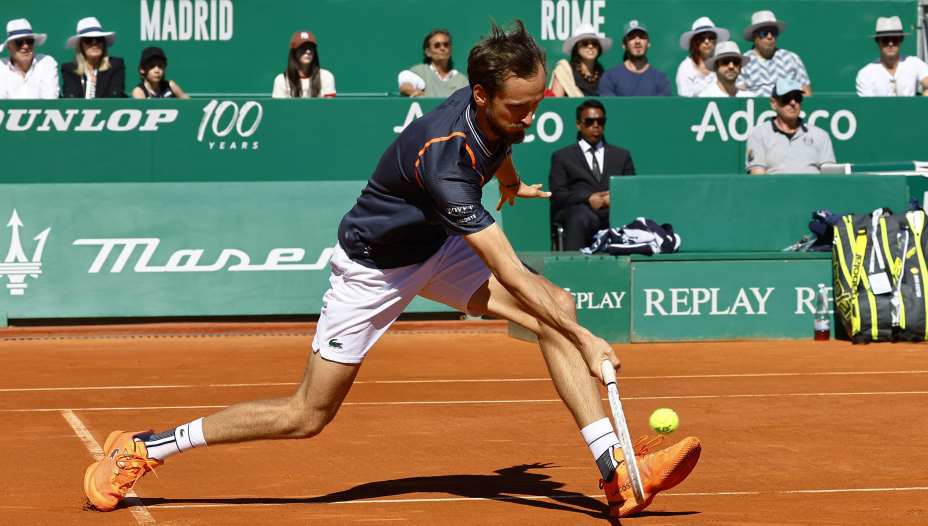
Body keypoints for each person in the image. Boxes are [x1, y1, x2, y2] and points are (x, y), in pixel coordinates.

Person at [82, 20, 700, 521]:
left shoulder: (496, 109)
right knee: (307, 416)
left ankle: (615, 470)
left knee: (556, 307)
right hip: (373, 269)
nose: (531, 117)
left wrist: (509, 179)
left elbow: (503, 143)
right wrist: (587, 340)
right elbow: (511, 272)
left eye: (536, 103)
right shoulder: (445, 162)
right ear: (481, 96)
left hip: (434, 244)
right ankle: (146, 446)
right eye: (520, 107)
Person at [549, 99, 635, 250]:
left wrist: (613, 198)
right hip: (579, 214)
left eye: (600, 121)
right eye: (589, 121)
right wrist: (588, 198)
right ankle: (574, 263)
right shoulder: (563, 156)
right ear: (578, 124)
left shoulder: (621, 156)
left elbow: (632, 190)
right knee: (578, 216)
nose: (596, 125)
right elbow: (557, 194)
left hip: (614, 214)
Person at [746, 78, 835, 174]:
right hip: (775, 184)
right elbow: (757, 175)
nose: (793, 103)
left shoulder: (820, 135)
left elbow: (830, 175)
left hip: (812, 184)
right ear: (773, 103)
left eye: (797, 98)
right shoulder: (759, 134)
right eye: (786, 98)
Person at [739, 10, 811, 97]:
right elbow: (738, 95)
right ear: (754, 37)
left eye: (773, 32)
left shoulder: (791, 58)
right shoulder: (743, 62)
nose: (770, 37)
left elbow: (806, 92)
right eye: (764, 33)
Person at [856, 16, 928, 97]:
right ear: (878, 41)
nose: (890, 44)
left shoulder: (914, 63)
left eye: (895, 39)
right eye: (885, 39)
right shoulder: (865, 74)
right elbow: (868, 104)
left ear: (901, 40)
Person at [599, 20, 671, 96]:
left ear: (648, 44)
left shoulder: (661, 79)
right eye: (632, 37)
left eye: (642, 37)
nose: (637, 41)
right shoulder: (610, 77)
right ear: (624, 46)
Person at [61, 17, 125, 98]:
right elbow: (71, 98)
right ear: (80, 45)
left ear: (103, 43)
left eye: (99, 39)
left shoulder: (115, 65)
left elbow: (115, 96)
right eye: (88, 40)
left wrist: (98, 84)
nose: (94, 44)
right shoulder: (70, 69)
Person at [397, 29, 468, 98]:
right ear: (428, 52)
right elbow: (405, 87)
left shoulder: (462, 80)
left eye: (446, 45)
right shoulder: (419, 71)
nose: (442, 48)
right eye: (437, 45)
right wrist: (415, 93)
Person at [547, 23, 611, 97]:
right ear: (576, 48)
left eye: (594, 43)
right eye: (585, 43)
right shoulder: (564, 71)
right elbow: (557, 102)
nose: (590, 46)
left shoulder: (602, 74)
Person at [0, 18, 58, 99]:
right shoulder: (1, 67)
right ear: (9, 46)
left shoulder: (46, 63)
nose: (25, 46)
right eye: (19, 42)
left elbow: (50, 101)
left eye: (29, 41)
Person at [675, 17, 729, 97]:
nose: (707, 41)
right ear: (694, 42)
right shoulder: (685, 67)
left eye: (711, 37)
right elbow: (684, 98)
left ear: (716, 40)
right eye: (701, 37)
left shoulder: (724, 65)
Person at [272, 31, 336, 98]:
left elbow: (329, 104)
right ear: (294, 51)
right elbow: (279, 105)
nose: (308, 51)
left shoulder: (326, 77)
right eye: (303, 47)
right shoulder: (281, 80)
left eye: (311, 47)